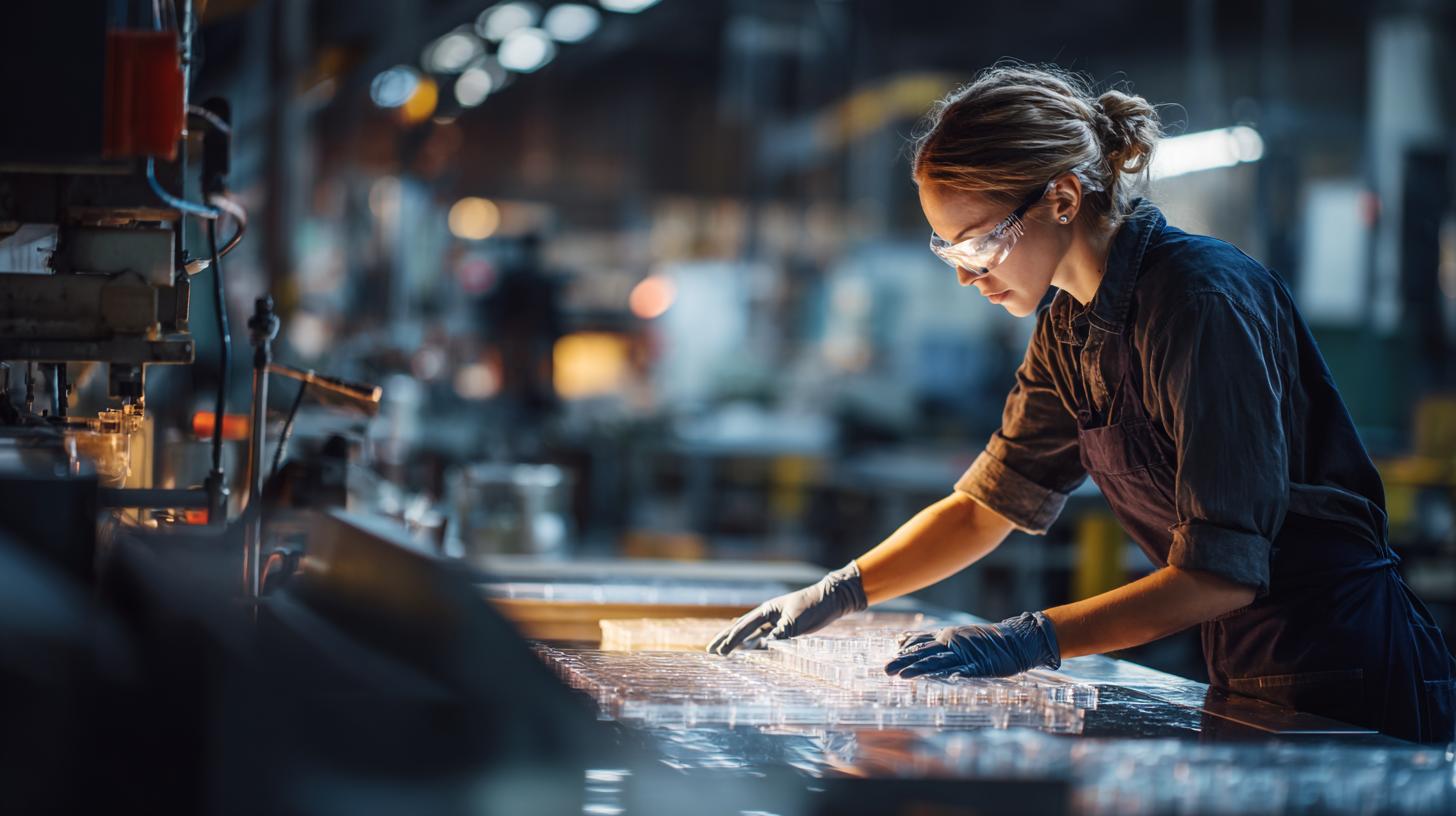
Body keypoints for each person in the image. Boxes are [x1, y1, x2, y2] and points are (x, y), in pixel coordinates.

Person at [708, 64, 1456, 744]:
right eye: (952, 256)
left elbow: (1221, 573)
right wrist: (840, 590)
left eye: (978, 246)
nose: (969, 278)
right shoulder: (1068, 326)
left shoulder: (1198, 303)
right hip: (1251, 667)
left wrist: (1027, 639)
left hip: (1353, 669)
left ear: (1062, 198)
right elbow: (984, 507)